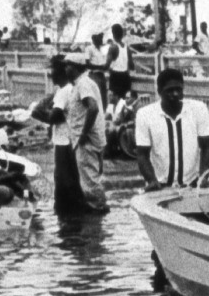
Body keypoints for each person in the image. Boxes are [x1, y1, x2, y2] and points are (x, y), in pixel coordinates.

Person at [134, 67, 209, 189]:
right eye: (170, 90)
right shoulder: (145, 114)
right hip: (160, 186)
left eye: (179, 89)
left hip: (192, 185)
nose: (175, 94)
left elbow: (207, 147)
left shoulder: (199, 109)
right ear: (159, 91)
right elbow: (142, 154)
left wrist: (203, 178)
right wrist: (151, 180)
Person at [31, 55, 84, 213]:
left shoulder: (63, 92)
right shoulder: (65, 90)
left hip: (64, 141)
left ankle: (67, 212)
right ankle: (69, 211)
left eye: (53, 71)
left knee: (64, 179)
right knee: (68, 179)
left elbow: (54, 117)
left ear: (60, 73)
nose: (50, 74)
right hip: (66, 139)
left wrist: (40, 111)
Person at [63, 52, 108, 212]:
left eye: (67, 66)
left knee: (90, 181)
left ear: (75, 68)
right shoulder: (83, 83)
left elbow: (93, 107)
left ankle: (97, 211)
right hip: (90, 139)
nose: (65, 69)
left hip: (87, 140)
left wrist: (83, 134)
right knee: (91, 178)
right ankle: (97, 208)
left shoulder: (83, 84)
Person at [105, 24, 133, 105]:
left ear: (113, 34)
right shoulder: (127, 47)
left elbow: (106, 65)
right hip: (125, 76)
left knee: (114, 102)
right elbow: (131, 64)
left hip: (115, 77)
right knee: (124, 102)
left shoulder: (112, 47)